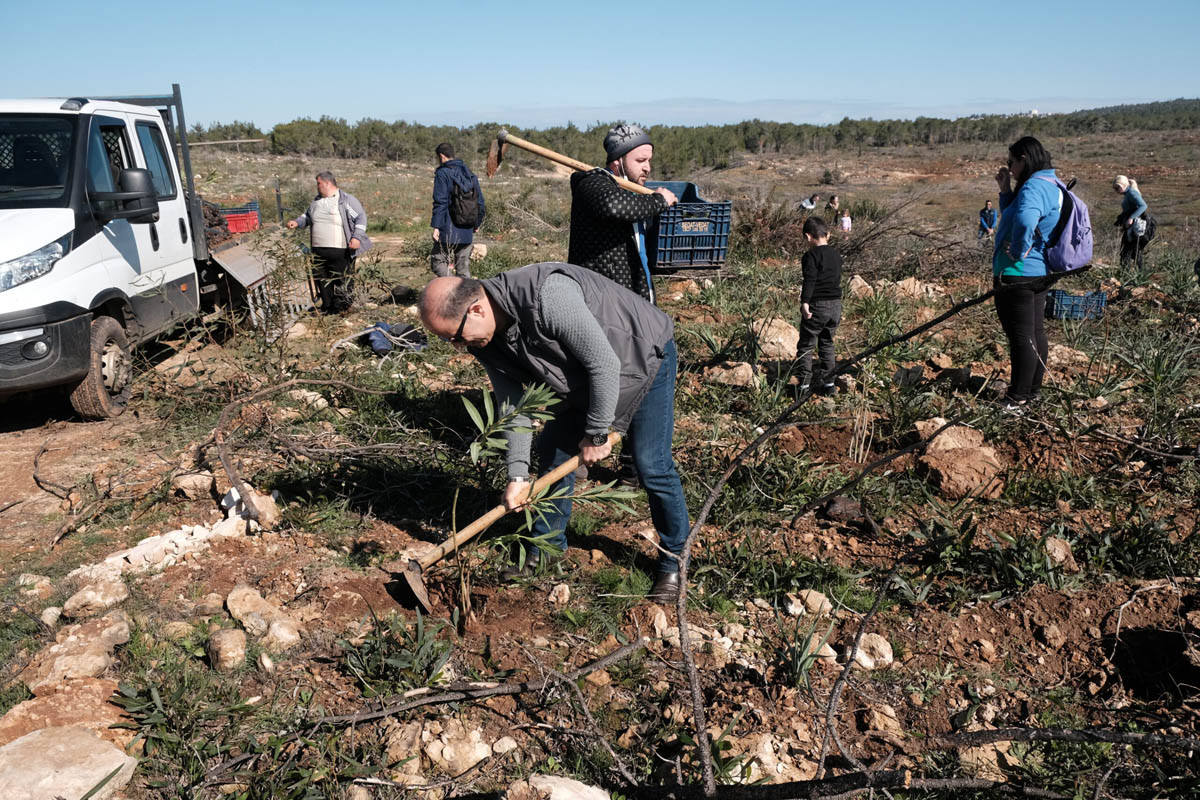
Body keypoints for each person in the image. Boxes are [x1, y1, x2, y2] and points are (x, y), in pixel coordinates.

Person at [418, 263, 690, 604]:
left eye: (456, 337)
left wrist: (596, 433)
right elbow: (514, 406)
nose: (458, 347)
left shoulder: (547, 297)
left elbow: (605, 365)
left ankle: (674, 563)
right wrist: (517, 476)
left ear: (476, 310)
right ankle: (546, 548)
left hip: (642, 356)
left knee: (651, 465)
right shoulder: (484, 340)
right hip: (580, 374)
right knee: (554, 449)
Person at [567, 124, 677, 303]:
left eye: (649, 161)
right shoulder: (592, 182)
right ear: (618, 160)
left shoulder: (635, 194)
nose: (647, 168)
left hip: (634, 295)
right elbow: (613, 206)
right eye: (640, 160)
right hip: (600, 297)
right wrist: (660, 201)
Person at [992, 136, 1062, 412]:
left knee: (1021, 336)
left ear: (1024, 159)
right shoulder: (1050, 183)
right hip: (1039, 272)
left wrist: (1019, 251)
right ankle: (1032, 393)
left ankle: (1017, 398)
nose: (1009, 167)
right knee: (1035, 332)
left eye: (1011, 162)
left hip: (1018, 273)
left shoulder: (1033, 186)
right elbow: (1016, 214)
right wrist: (1005, 191)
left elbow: (1024, 220)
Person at [287, 171, 371, 313]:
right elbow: (307, 217)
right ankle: (327, 307)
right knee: (321, 279)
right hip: (318, 250)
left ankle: (343, 308)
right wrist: (297, 222)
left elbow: (361, 218)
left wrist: (356, 237)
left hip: (340, 250)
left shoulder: (346, 200)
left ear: (327, 183)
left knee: (342, 279)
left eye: (318, 183)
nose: (317, 186)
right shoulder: (315, 202)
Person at [796, 216, 844, 396]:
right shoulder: (836, 255)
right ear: (828, 234)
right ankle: (829, 384)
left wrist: (805, 302)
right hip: (836, 305)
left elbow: (810, 280)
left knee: (806, 345)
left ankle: (803, 387)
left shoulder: (811, 256)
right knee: (827, 343)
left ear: (808, 236)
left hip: (818, 305)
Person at [430, 143, 486, 278]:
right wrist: (476, 223)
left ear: (441, 156)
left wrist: (436, 226)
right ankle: (463, 291)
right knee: (463, 269)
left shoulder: (442, 173)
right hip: (467, 228)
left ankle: (451, 285)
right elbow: (480, 202)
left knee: (437, 262)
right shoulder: (469, 174)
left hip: (447, 229)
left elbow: (440, 202)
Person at [1113, 175, 1150, 268]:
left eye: (1118, 187)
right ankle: (1138, 271)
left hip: (1135, 226)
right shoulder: (1128, 194)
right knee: (1133, 250)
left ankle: (1128, 271)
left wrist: (1131, 218)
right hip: (1132, 226)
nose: (1116, 190)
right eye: (1115, 188)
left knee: (1129, 251)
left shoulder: (1131, 193)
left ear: (1124, 185)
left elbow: (1143, 206)